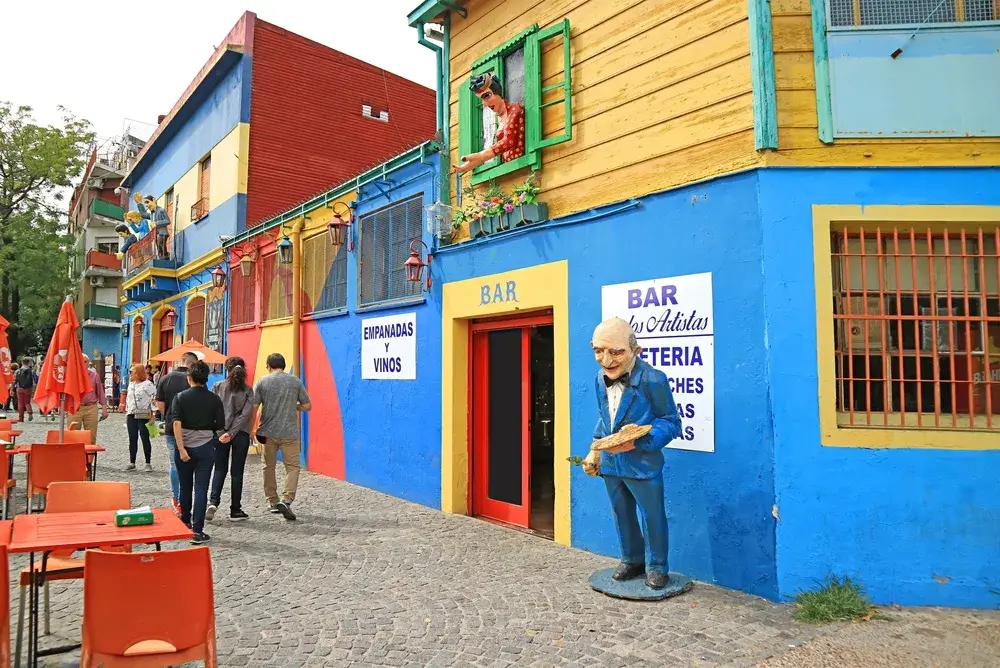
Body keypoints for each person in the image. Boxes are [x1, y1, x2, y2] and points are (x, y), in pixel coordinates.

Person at [583, 318, 682, 590]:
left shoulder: (654, 379)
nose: (607, 360)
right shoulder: (598, 380)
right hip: (612, 464)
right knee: (622, 514)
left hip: (642, 464)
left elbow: (671, 421)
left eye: (616, 352)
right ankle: (632, 559)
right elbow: (605, 420)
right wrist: (595, 451)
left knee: (652, 516)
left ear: (635, 351)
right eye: (599, 351)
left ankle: (657, 566)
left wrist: (641, 439)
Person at [169, 360, 225, 545]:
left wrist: (182, 448)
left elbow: (176, 423)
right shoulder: (214, 399)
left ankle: (185, 521)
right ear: (206, 378)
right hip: (206, 446)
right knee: (201, 489)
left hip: (184, 446)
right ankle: (197, 530)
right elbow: (220, 424)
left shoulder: (180, 397)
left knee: (185, 487)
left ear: (189, 378)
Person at [250, 352, 311, 521]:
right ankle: (287, 499)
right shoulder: (295, 381)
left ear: (269, 366)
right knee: (292, 467)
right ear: (283, 365)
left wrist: (252, 430)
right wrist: (295, 406)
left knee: (268, 467)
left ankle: (272, 501)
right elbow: (307, 405)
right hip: (289, 433)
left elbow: (254, 406)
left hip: (267, 432)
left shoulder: (263, 381)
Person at [207, 356, 253, 522]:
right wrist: (232, 433)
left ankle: (213, 502)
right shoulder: (248, 390)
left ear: (227, 369)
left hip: (220, 434)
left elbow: (212, 412)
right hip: (240, 434)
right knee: (237, 472)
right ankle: (235, 509)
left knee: (219, 469)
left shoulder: (217, 386)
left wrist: (221, 432)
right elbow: (244, 415)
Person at [156, 351, 198, 516]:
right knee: (190, 464)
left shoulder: (165, 378)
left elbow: (160, 405)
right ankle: (187, 497)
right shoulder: (194, 380)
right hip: (190, 428)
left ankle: (177, 499)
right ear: (192, 364)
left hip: (170, 426)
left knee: (174, 464)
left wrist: (170, 415)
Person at [68, 354, 108, 441]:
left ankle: (90, 455)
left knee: (91, 436)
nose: (82, 363)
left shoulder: (94, 376)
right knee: (72, 436)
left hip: (91, 408)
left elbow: (100, 393)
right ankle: (74, 454)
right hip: (75, 408)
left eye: (85, 361)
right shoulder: (71, 376)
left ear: (88, 363)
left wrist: (104, 408)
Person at [124, 363, 155, 472]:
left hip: (143, 414)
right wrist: (126, 412)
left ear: (138, 373)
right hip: (131, 414)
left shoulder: (148, 384)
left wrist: (153, 414)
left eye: (131, 371)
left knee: (144, 437)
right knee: (132, 438)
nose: (130, 374)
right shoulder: (131, 385)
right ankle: (132, 462)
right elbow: (129, 399)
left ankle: (148, 462)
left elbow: (154, 398)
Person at [14, 358, 35, 423]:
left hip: (19, 388)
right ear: (28, 363)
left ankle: (21, 418)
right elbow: (34, 381)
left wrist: (12, 389)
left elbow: (15, 380)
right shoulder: (31, 371)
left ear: (22, 363)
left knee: (20, 403)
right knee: (27, 402)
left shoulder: (18, 371)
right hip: (28, 388)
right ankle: (29, 411)